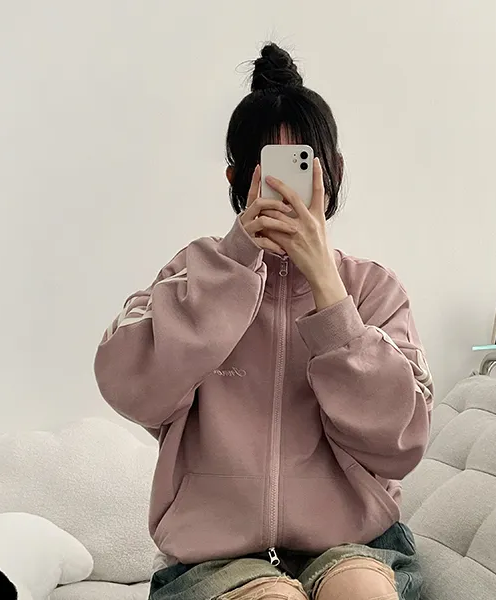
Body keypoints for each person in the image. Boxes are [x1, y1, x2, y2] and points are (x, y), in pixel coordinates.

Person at [95, 43, 433, 600]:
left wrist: (329, 294)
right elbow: (130, 387)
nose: (283, 190)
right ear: (236, 177)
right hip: (215, 558)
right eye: (267, 170)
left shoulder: (373, 288)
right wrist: (230, 267)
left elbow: (401, 443)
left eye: (298, 166)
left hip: (355, 544)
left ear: (332, 171)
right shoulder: (193, 274)